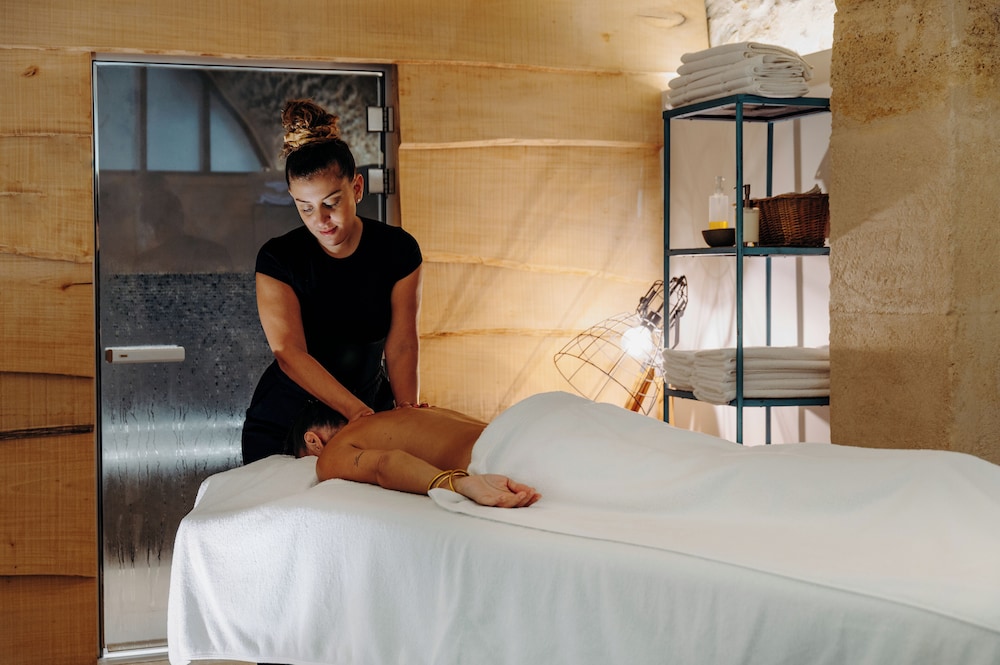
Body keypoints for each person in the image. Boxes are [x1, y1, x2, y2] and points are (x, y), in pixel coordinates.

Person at [242, 99, 423, 464]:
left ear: (356, 188)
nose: (320, 220)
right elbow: (289, 353)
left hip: (371, 408)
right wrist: (356, 413)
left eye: (331, 202)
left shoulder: (398, 250)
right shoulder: (278, 259)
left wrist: (406, 413)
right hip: (289, 419)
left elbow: (403, 342)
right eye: (305, 207)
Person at [288, 400, 541, 508]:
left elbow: (386, 464)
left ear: (312, 441)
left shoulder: (329, 455)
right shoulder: (407, 412)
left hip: (504, 455)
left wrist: (458, 484)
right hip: (530, 420)